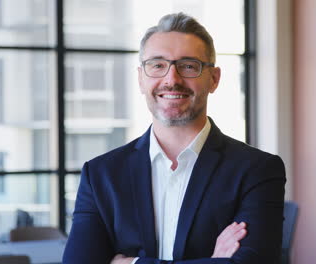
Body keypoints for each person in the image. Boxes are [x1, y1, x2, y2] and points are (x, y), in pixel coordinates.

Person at [63, 12, 286, 264]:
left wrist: (133, 263)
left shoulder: (257, 170)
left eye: (189, 66)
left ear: (214, 79)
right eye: (157, 65)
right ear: (140, 78)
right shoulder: (101, 174)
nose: (171, 79)